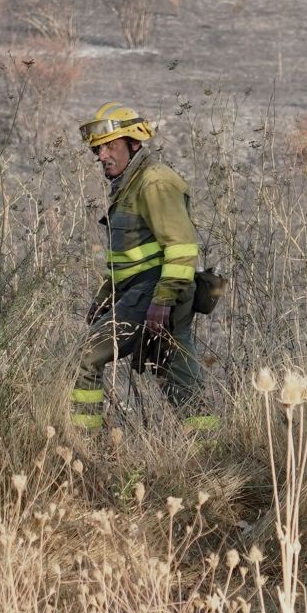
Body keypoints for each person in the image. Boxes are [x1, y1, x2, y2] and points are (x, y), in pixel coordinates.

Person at [68, 103, 211, 433]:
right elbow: (130, 256)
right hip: (146, 292)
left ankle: (84, 444)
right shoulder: (131, 184)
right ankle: (209, 447)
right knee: (174, 371)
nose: (102, 155)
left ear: (134, 143)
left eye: (110, 146)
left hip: (157, 292)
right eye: (98, 149)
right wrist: (106, 295)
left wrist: (162, 302)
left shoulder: (153, 182)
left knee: (87, 355)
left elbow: (182, 247)